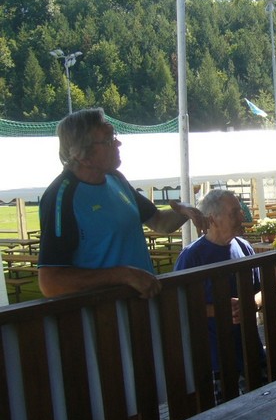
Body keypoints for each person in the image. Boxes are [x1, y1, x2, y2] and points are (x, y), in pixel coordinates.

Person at [38, 108, 206, 299]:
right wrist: (123, 275)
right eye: (108, 140)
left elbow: (159, 222)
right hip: (103, 313)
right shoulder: (61, 196)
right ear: (82, 155)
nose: (118, 143)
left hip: (141, 307)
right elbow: (50, 283)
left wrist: (185, 210)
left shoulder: (115, 179)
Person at [174, 189, 266, 399]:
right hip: (214, 359)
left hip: (250, 351)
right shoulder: (191, 256)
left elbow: (261, 290)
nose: (242, 217)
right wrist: (219, 310)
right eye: (234, 213)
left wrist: (251, 302)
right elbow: (178, 305)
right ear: (212, 219)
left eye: (240, 211)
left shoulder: (244, 247)